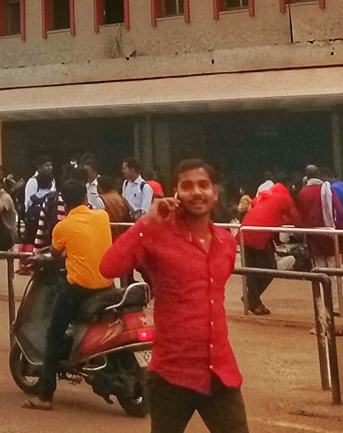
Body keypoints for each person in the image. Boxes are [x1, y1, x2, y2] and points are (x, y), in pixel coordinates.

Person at [99, 159, 247, 433]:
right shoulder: (157, 235)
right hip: (171, 374)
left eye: (203, 185)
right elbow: (109, 266)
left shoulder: (225, 242)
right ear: (175, 192)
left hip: (220, 373)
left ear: (215, 191)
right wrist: (147, 221)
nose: (196, 192)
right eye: (187, 185)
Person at [23, 176, 112, 411]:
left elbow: (54, 254)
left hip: (78, 289)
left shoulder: (62, 227)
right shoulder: (102, 217)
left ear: (63, 200)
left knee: (53, 335)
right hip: (107, 286)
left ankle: (44, 396)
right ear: (85, 196)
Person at [298, 167, 343, 314]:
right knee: (334, 271)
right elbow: (339, 212)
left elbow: (300, 216)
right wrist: (340, 229)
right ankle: (336, 306)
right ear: (320, 175)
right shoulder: (327, 190)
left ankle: (324, 306)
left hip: (312, 236)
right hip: (330, 235)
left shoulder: (302, 193)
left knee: (320, 271)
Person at [239, 179, 296, 315]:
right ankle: (251, 298)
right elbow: (296, 219)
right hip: (260, 236)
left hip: (244, 233)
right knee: (270, 270)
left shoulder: (260, 198)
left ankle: (255, 301)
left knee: (251, 271)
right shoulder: (284, 198)